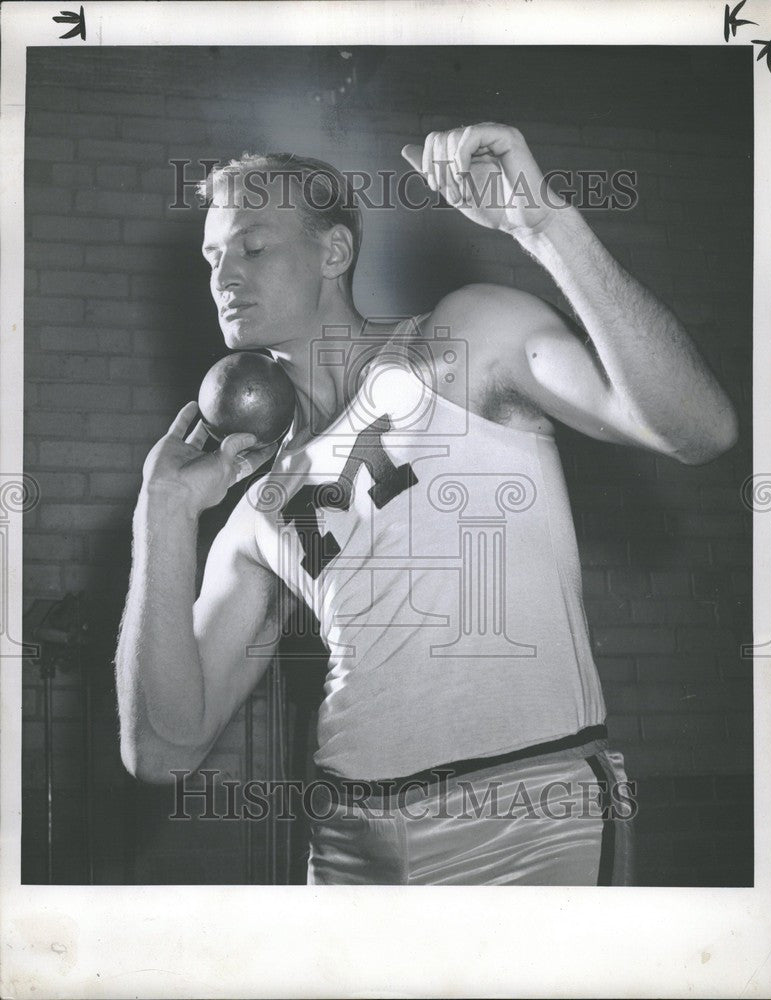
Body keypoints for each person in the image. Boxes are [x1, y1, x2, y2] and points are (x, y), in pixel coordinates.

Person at [115, 123, 738, 885]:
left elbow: (697, 429)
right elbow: (161, 748)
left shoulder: (464, 339)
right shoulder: (258, 510)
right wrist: (164, 513)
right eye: (212, 258)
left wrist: (547, 227)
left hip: (523, 816)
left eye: (251, 247)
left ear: (333, 253)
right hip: (348, 846)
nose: (222, 277)